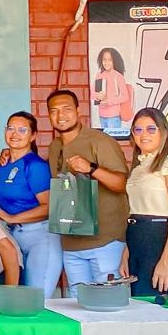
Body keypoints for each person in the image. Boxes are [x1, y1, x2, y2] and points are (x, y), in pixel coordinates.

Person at [46, 89, 130, 291]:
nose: (60, 115)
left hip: (104, 241)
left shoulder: (99, 141)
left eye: (66, 109)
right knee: (77, 304)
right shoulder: (54, 147)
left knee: (108, 303)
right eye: (54, 111)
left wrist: (91, 168)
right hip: (71, 241)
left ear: (78, 110)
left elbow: (120, 184)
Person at [0, 111, 64, 298]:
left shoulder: (35, 166)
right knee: (18, 298)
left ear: (33, 135)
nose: (15, 134)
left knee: (37, 299)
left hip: (40, 237)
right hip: (15, 237)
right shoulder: (4, 162)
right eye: (10, 128)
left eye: (22, 130)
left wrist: (12, 217)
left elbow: (48, 207)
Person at [122, 108, 168, 296]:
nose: (144, 134)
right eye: (138, 130)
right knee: (140, 307)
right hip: (137, 239)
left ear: (163, 131)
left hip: (161, 239)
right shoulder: (138, 166)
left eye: (151, 129)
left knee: (161, 307)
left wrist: (167, 260)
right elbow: (134, 210)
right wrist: (127, 250)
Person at [92, 47, 133, 129]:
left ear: (115, 61)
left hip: (114, 116)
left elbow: (125, 96)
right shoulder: (99, 75)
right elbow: (92, 93)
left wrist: (109, 101)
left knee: (113, 140)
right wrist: (97, 96)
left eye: (110, 60)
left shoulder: (118, 76)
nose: (106, 62)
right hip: (101, 115)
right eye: (104, 59)